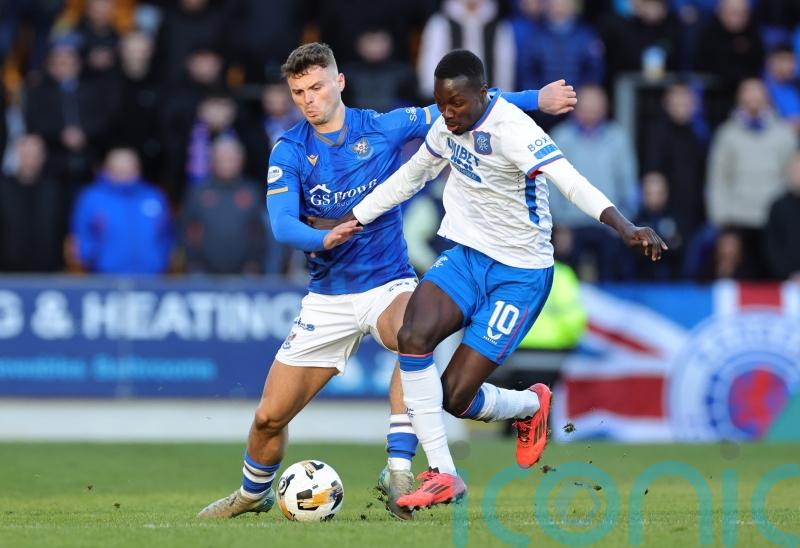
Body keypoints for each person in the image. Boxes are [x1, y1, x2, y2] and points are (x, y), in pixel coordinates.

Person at [197, 42, 577, 521]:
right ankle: (252, 495)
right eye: (298, 92)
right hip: (328, 298)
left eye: (316, 87)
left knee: (412, 337)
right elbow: (281, 224)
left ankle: (399, 466)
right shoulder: (289, 149)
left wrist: (534, 99)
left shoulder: (382, 126)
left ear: (338, 83)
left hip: (388, 284)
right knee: (269, 416)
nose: (309, 100)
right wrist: (323, 239)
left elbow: (469, 102)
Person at [341, 50, 666, 509]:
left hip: (520, 273)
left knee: (454, 396)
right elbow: (409, 178)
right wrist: (350, 219)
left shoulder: (513, 129)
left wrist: (624, 226)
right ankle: (443, 473)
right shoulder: (445, 126)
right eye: (440, 103)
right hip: (467, 257)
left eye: (456, 104)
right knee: (412, 336)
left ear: (483, 94)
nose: (448, 114)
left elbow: (569, 180)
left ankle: (530, 406)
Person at [69, 147, 173, 274]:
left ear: (137, 168)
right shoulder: (92, 197)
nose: (125, 172)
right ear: (107, 169)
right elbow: (81, 234)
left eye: (129, 167)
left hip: (152, 276)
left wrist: (161, 259)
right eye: (119, 168)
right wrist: (92, 258)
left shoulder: (153, 195)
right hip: (105, 277)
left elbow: (168, 233)